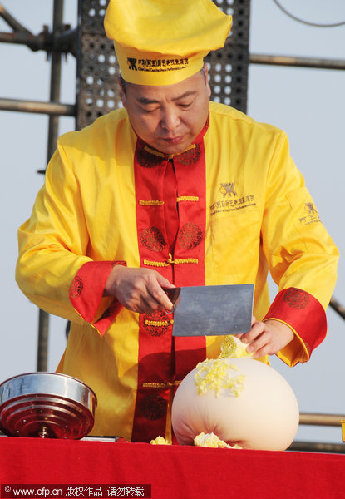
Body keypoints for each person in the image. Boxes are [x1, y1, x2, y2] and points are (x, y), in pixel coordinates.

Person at [16, 0, 338, 443]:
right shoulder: (79, 156)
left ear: (207, 82)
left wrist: (284, 322)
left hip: (230, 413)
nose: (170, 123)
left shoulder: (260, 149)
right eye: (148, 106)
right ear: (121, 92)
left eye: (185, 102)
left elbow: (312, 253)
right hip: (107, 422)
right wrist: (111, 280)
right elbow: (35, 262)